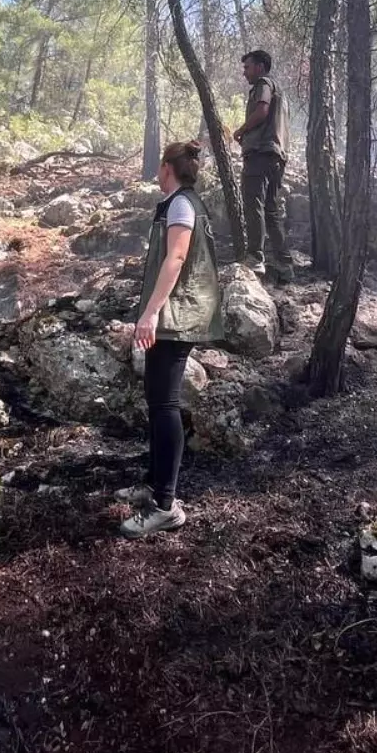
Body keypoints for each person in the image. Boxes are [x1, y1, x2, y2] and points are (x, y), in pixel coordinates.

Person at [122, 139, 224, 539]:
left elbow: (177, 259)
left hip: (176, 314)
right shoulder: (181, 202)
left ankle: (166, 505)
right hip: (173, 312)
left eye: (160, 165)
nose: (157, 171)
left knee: (164, 404)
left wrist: (150, 313)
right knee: (156, 398)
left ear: (168, 167)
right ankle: (152, 483)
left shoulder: (182, 204)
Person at [233, 48, 291, 282]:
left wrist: (242, 130)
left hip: (260, 153)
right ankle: (285, 265)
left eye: (247, 67)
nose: (244, 73)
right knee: (272, 210)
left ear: (260, 67)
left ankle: (255, 258)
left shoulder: (264, 84)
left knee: (253, 204)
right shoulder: (282, 93)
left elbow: (262, 110)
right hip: (277, 156)